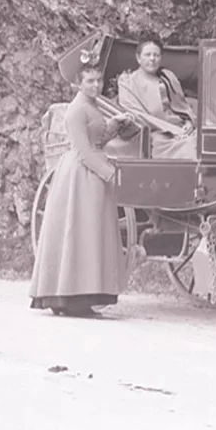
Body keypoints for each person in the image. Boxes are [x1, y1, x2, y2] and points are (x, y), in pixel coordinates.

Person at [30, 58, 134, 318]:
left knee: (89, 234)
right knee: (81, 233)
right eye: (89, 81)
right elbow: (82, 149)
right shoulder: (76, 110)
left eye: (98, 80)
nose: (95, 85)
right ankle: (73, 298)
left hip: (91, 172)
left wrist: (115, 124)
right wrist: (108, 173)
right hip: (80, 175)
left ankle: (79, 295)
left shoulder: (92, 105)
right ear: (78, 83)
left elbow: (96, 139)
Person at [117, 39, 198, 159]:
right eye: (147, 55)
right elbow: (137, 114)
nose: (152, 59)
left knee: (206, 142)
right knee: (191, 148)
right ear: (138, 58)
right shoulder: (128, 82)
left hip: (181, 127)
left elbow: (182, 106)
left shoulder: (167, 76)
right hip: (156, 134)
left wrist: (189, 122)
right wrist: (173, 130)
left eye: (156, 55)